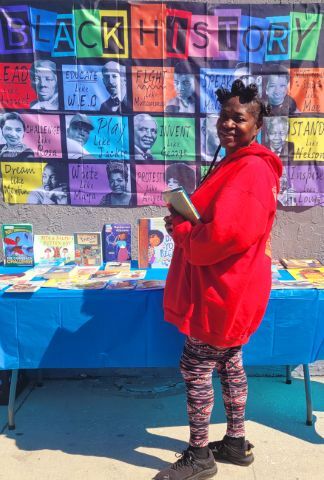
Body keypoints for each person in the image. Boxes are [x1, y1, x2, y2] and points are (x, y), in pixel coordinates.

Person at [155, 79, 282, 480]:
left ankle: (199, 456)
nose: (228, 123)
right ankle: (235, 442)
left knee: (195, 366)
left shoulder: (251, 169)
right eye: (224, 115)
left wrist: (180, 230)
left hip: (224, 289)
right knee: (229, 361)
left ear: (256, 125)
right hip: (233, 286)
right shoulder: (238, 161)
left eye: (239, 118)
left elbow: (224, 236)